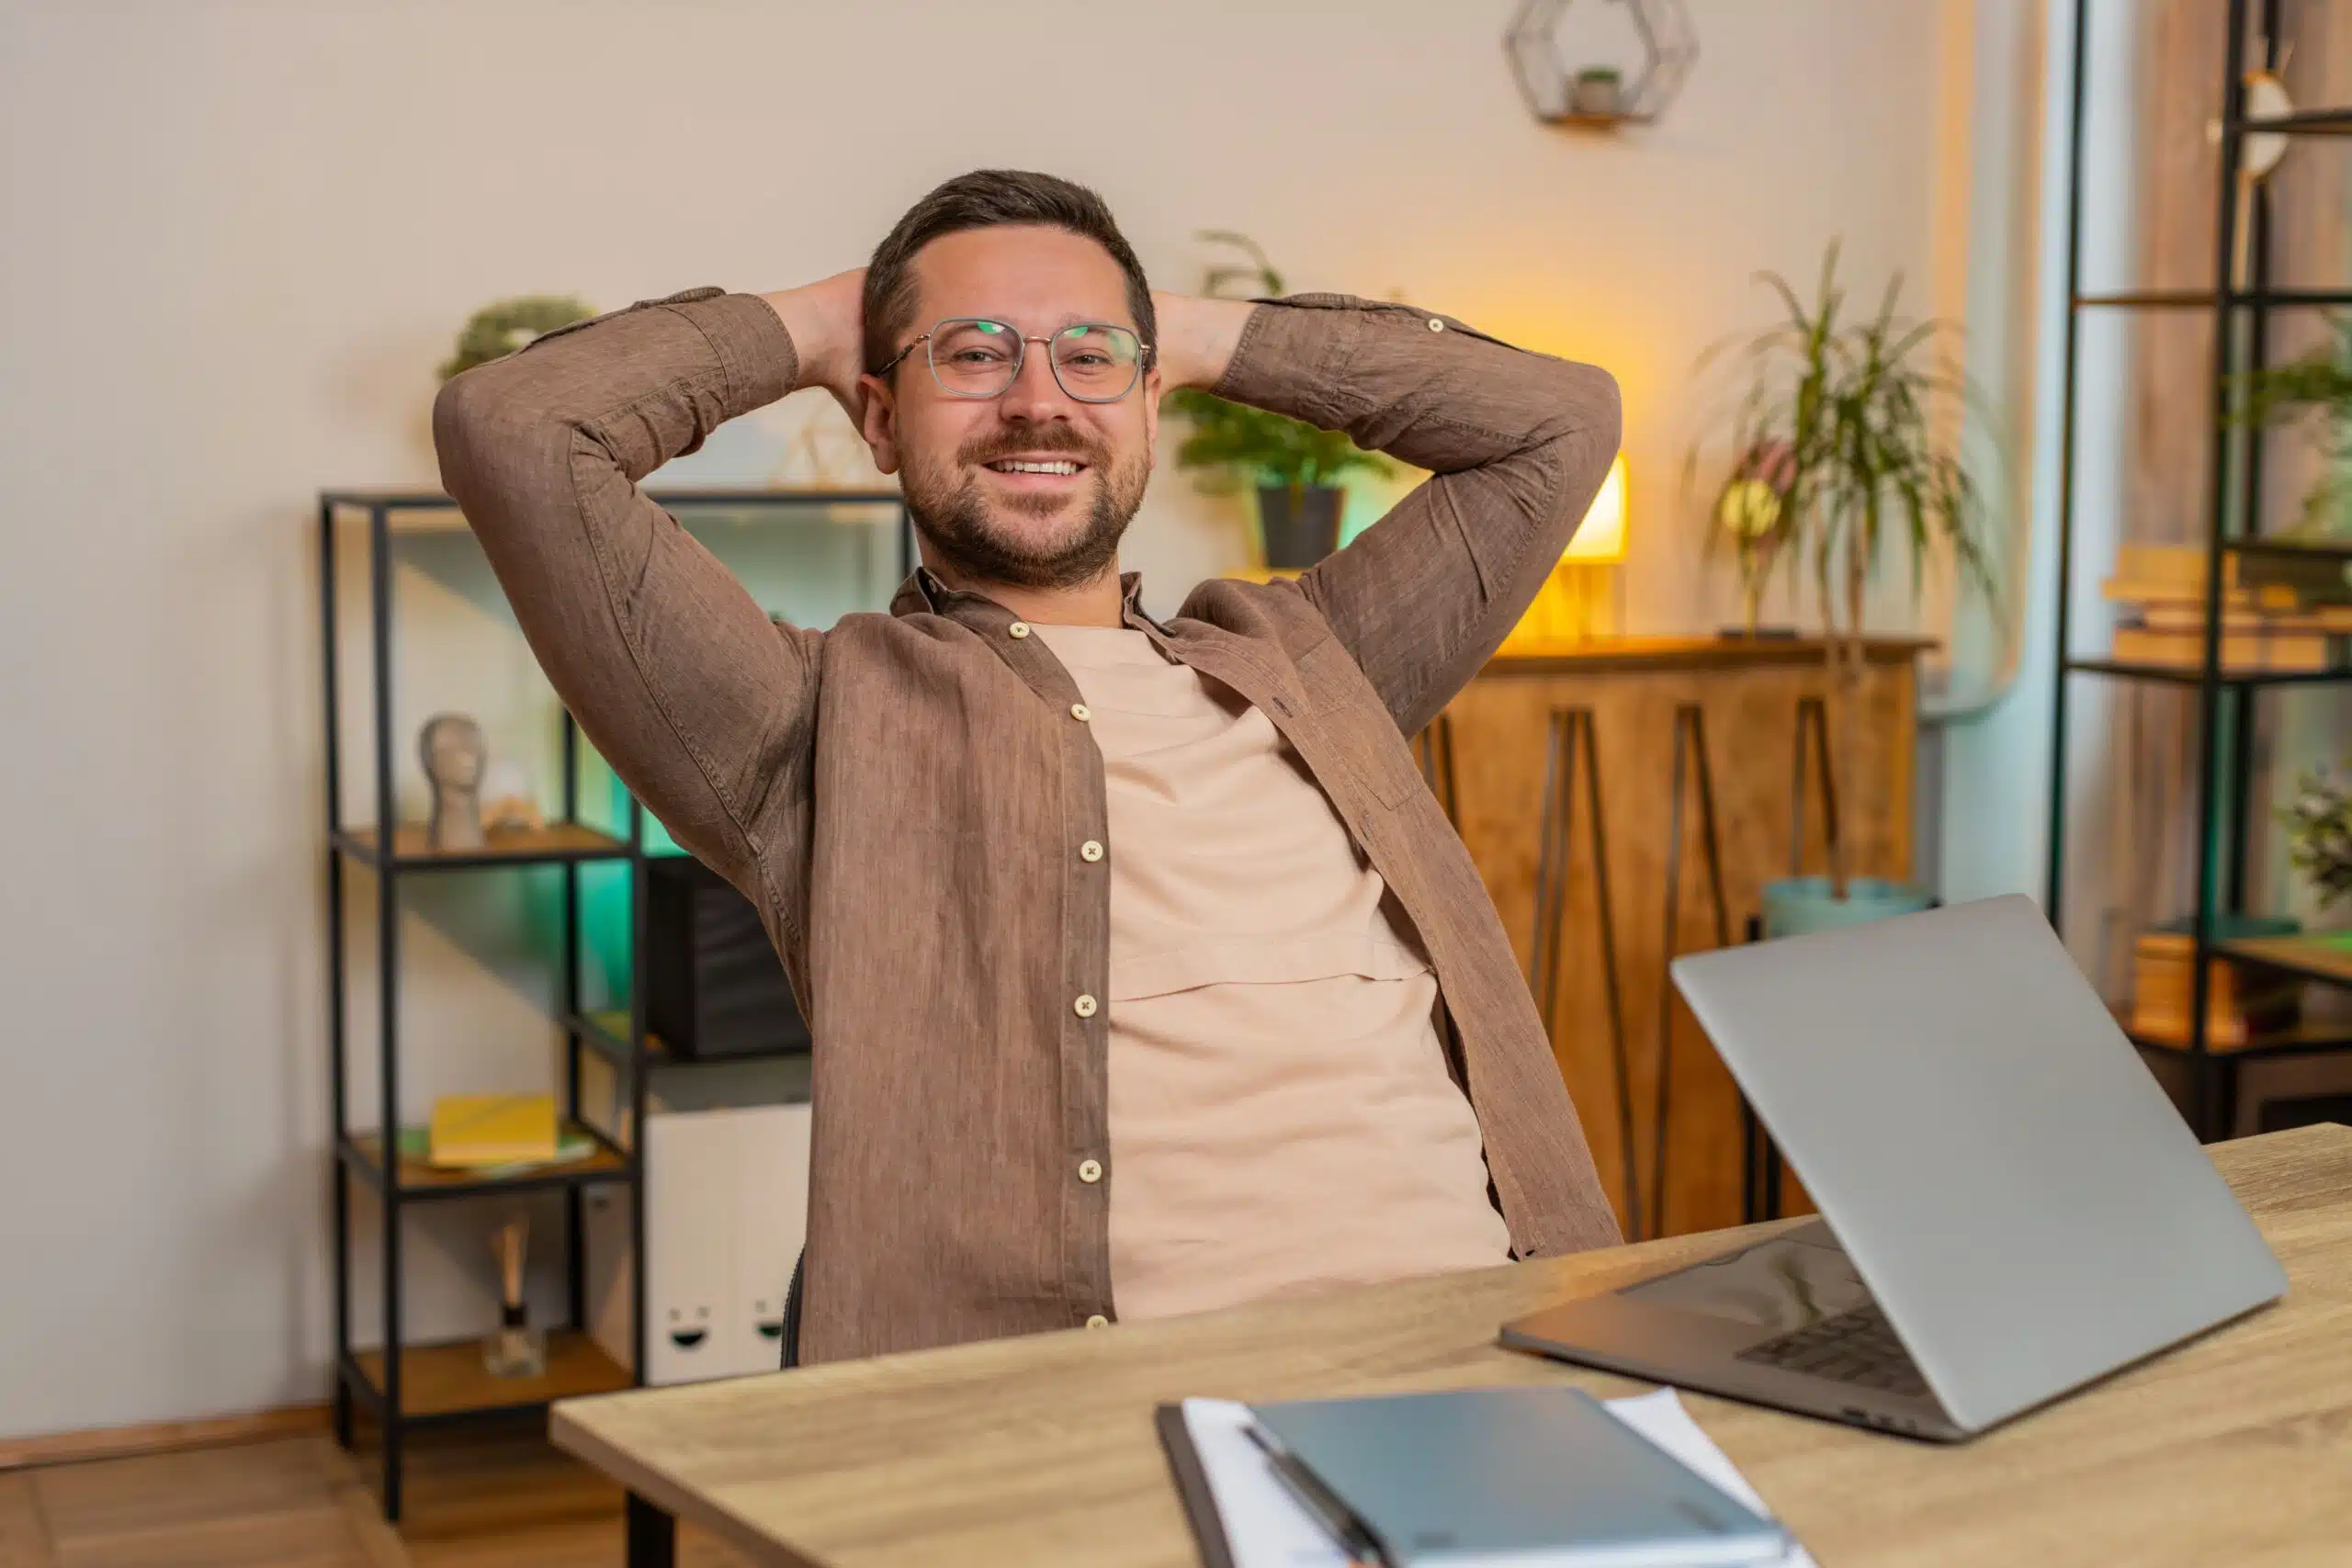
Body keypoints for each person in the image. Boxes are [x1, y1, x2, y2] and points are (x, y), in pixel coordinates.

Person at [435, 169, 1623, 1366]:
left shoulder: (1317, 658)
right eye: (973, 355)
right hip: (1111, 1426)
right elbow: (517, 430)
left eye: (1089, 359)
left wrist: (1191, 333)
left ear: (1156, 403)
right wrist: (813, 321)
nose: (1037, 401)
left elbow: (1560, 421)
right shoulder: (809, 719)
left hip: (1508, 1349)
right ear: (880, 417)